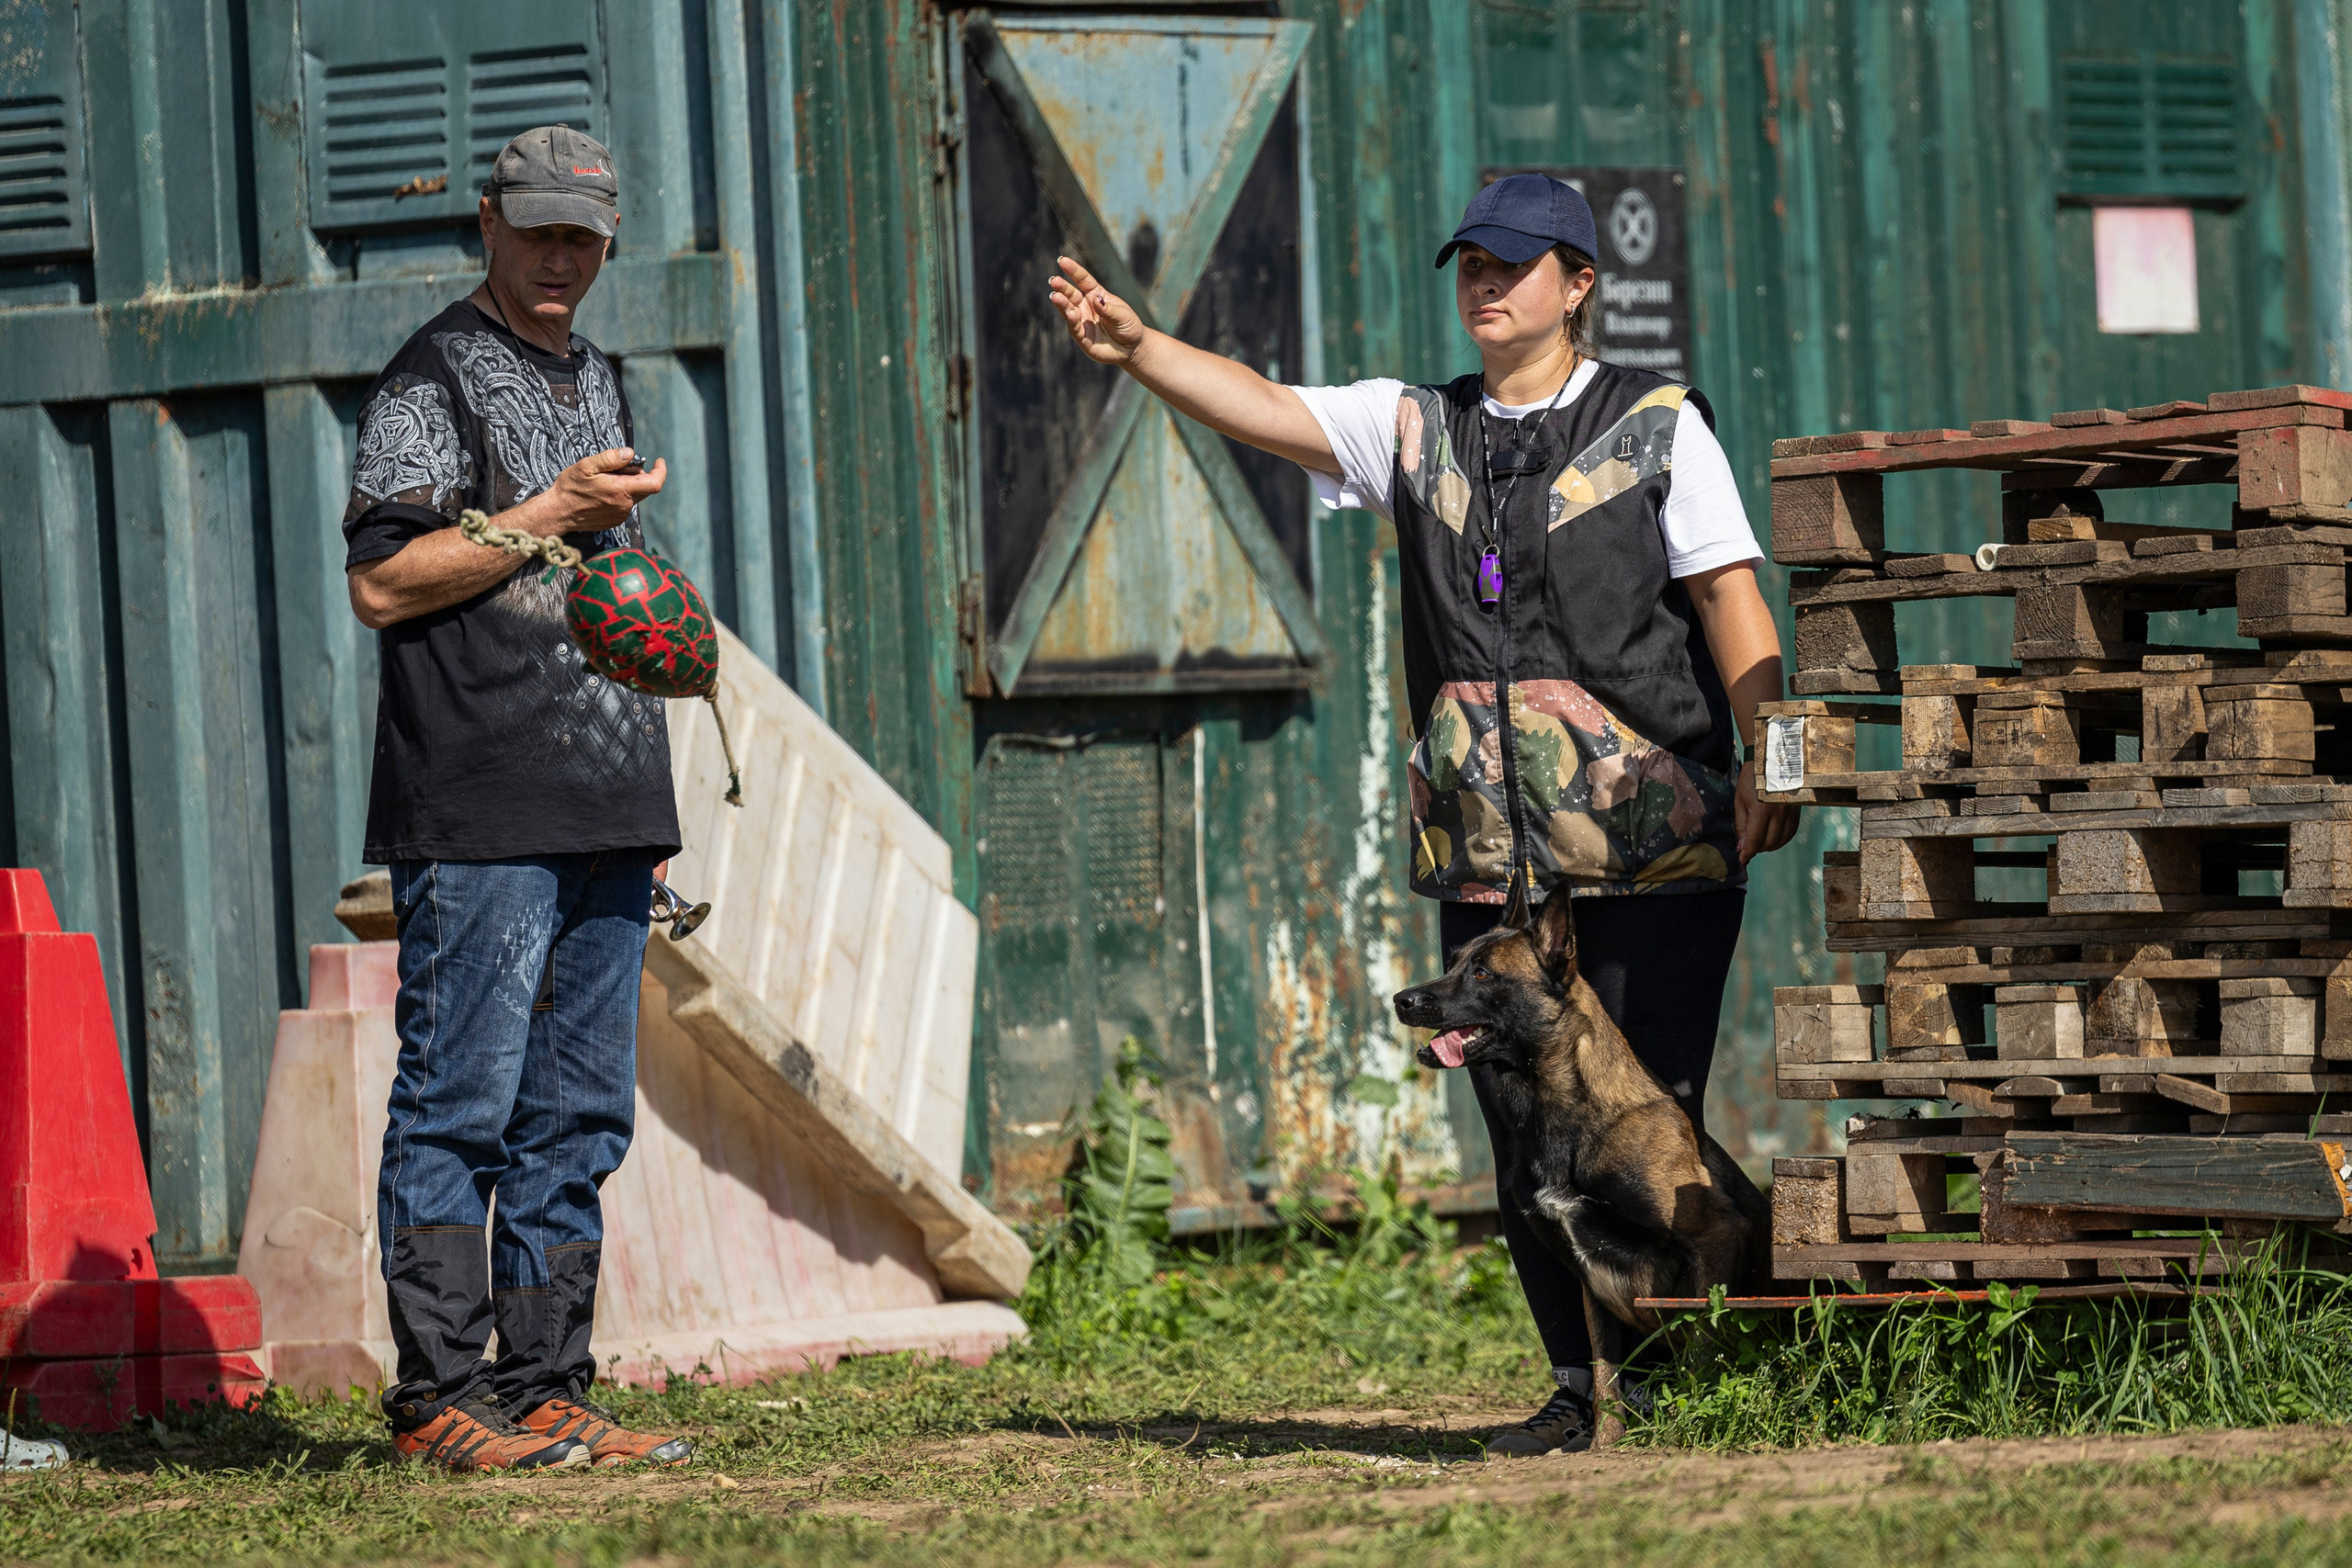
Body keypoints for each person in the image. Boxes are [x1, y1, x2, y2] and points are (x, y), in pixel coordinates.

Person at [1048, 173, 1798, 1455]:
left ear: (1577, 282)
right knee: (1521, 1140)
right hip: (1491, 858)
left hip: (1653, 848)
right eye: (1471, 267)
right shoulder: (1411, 426)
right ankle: (1575, 1391)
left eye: (1515, 266)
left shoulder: (1660, 426)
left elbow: (1731, 599)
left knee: (1649, 1117)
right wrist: (1138, 350)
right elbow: (1269, 410)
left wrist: (1777, 758)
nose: (1488, 287)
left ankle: (1694, 1379)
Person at [343, 126, 694, 1472]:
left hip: (609, 799)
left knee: (577, 1115)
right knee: (460, 1103)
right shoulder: (427, 380)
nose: (559, 257)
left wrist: (654, 810)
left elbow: (610, 601)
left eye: (583, 236)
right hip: (481, 801)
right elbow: (382, 582)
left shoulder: (599, 374)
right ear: (485, 223)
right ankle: (439, 1397)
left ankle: (546, 1385)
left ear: (609, 242)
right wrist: (547, 508)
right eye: (536, 229)